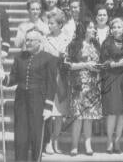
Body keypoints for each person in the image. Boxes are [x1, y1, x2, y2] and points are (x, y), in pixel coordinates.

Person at [0, 29, 57, 162]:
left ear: (39, 42)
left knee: (36, 136)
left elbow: (51, 84)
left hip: (39, 100)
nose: (27, 43)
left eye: (31, 40)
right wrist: (3, 78)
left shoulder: (49, 58)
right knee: (21, 136)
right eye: (26, 40)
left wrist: (48, 107)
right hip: (21, 100)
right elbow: (13, 78)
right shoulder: (19, 57)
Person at [65, 21, 102, 156]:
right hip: (78, 85)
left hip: (93, 85)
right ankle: (74, 146)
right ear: (84, 29)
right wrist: (85, 65)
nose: (94, 29)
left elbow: (99, 63)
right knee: (78, 117)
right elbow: (67, 64)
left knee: (89, 117)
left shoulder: (96, 45)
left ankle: (88, 145)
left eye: (94, 27)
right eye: (91, 27)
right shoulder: (74, 45)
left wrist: (97, 67)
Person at [100, 17, 123, 154]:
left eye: (119, 27)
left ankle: (117, 141)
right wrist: (118, 64)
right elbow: (103, 63)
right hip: (111, 79)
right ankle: (109, 141)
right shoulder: (106, 43)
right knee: (113, 112)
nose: (117, 29)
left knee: (122, 113)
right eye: (114, 27)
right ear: (111, 29)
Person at [42, 14, 70, 154]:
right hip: (49, 78)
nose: (50, 26)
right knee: (50, 113)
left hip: (62, 78)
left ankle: (56, 140)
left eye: (52, 23)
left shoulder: (68, 39)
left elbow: (70, 57)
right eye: (49, 23)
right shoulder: (45, 39)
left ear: (60, 24)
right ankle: (47, 142)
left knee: (59, 114)